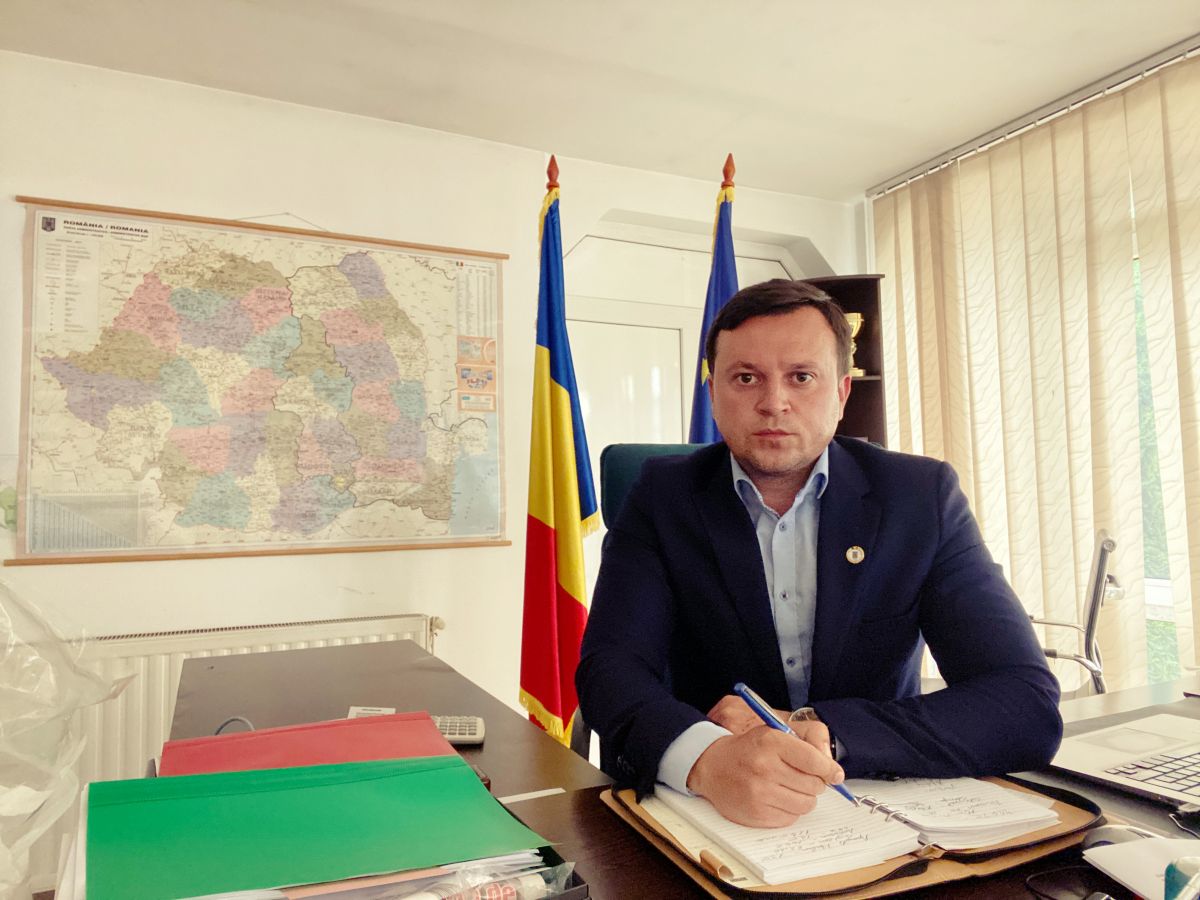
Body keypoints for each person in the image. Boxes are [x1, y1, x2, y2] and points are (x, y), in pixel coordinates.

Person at [576, 278, 1062, 828]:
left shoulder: (919, 498)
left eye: (801, 377)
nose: (773, 403)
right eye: (746, 378)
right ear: (713, 393)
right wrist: (706, 759)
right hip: (714, 808)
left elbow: (1023, 702)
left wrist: (820, 730)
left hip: (876, 799)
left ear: (842, 393)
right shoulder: (662, 497)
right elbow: (611, 671)